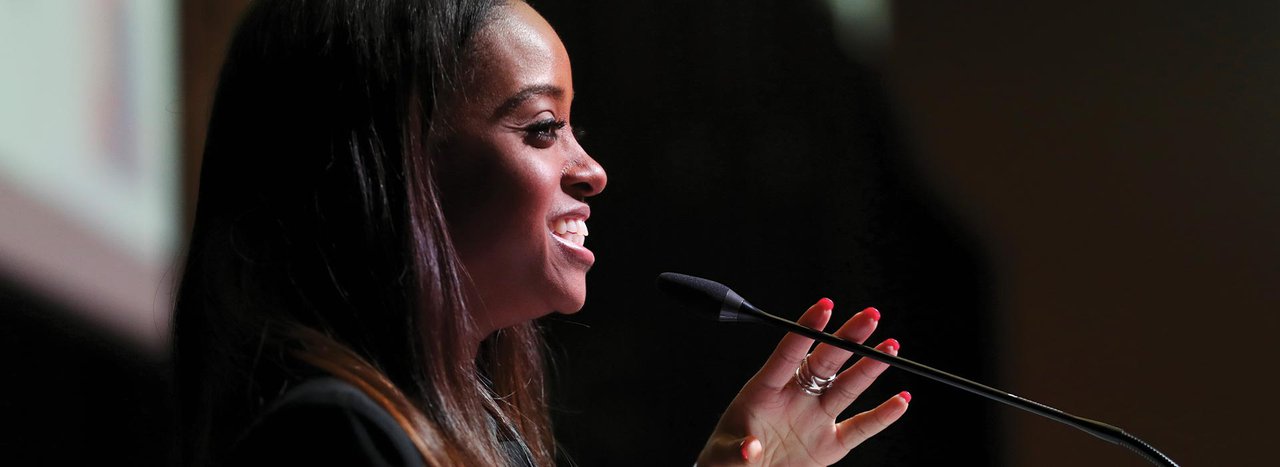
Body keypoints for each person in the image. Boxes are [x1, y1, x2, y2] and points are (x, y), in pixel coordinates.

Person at [172, 0, 910, 465]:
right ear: (393, 165)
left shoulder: (491, 442)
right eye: (543, 128)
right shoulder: (333, 439)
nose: (591, 171)